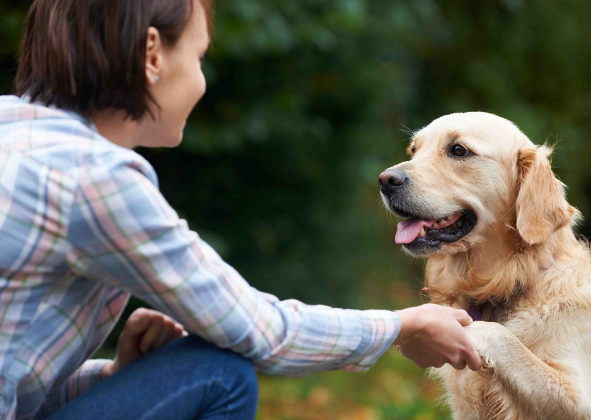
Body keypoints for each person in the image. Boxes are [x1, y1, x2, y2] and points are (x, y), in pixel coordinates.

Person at [0, 0, 483, 419]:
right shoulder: (95, 177)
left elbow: (16, 389)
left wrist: (114, 375)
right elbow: (261, 331)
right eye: (198, 56)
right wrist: (402, 326)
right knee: (218, 372)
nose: (202, 82)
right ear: (152, 55)